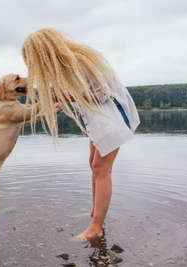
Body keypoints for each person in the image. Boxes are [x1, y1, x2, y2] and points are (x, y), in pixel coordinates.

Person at [21, 28, 140, 241]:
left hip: (112, 115)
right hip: (98, 117)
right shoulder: (68, 65)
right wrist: (58, 99)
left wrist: (65, 96)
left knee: (101, 168)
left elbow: (102, 93)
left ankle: (96, 228)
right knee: (93, 163)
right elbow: (79, 95)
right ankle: (95, 212)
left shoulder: (78, 62)